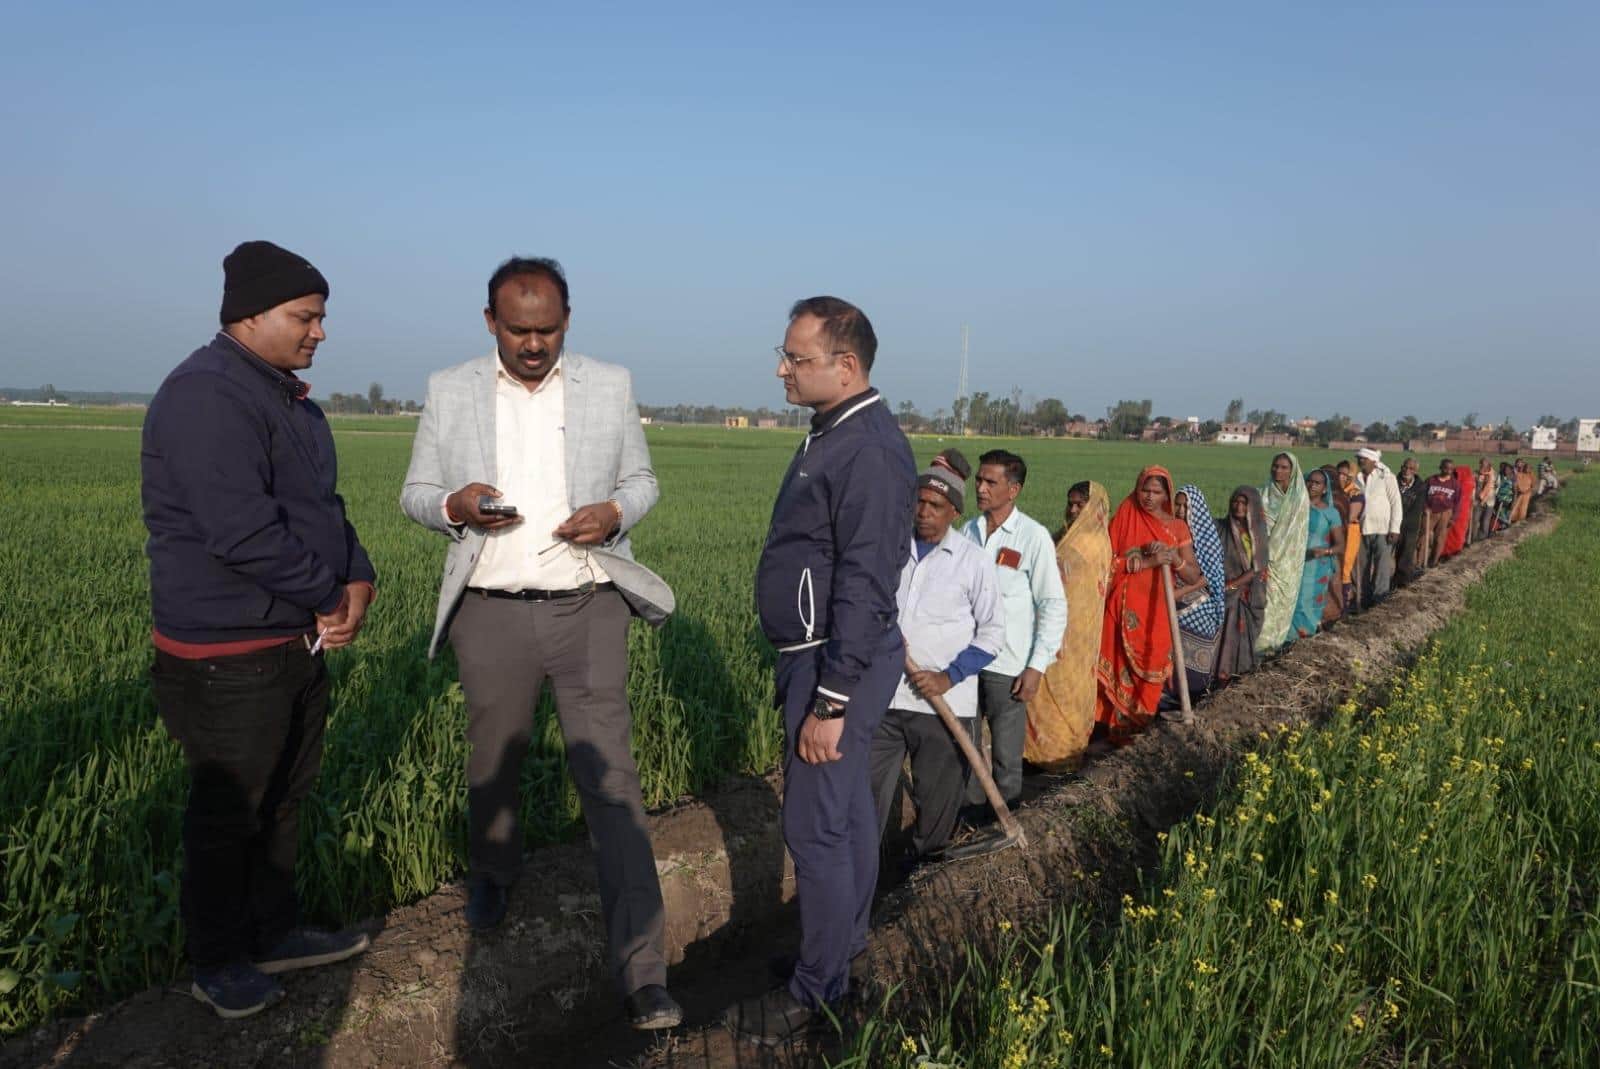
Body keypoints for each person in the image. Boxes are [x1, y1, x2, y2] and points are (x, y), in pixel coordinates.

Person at [399, 256, 681, 1030]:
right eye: (519, 329)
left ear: (567, 321)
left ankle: (644, 970)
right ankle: (494, 871)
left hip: (588, 605)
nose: (533, 344)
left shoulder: (608, 385)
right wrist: (453, 504)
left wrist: (614, 512)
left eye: (548, 330)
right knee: (494, 757)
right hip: (490, 609)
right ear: (490, 321)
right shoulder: (450, 388)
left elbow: (643, 480)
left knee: (612, 779)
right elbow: (414, 493)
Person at [142, 241, 375, 1018]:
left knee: (283, 798)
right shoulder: (207, 396)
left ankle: (273, 932)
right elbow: (239, 531)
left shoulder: (287, 400)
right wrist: (326, 594)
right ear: (249, 315)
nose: (319, 331)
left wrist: (359, 576)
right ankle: (216, 960)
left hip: (289, 642)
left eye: (321, 316)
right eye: (305, 316)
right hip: (227, 652)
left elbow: (323, 510)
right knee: (229, 812)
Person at [728, 296, 915, 1043]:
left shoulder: (866, 448)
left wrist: (831, 699)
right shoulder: (835, 432)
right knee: (847, 814)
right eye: (783, 355)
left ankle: (818, 988)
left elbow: (867, 580)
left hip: (832, 660)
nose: (782, 369)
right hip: (826, 653)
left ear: (846, 365)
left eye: (796, 358)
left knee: (817, 827)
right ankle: (841, 947)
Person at [871, 451, 1004, 861]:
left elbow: (993, 634)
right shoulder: (891, 552)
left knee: (936, 803)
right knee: (866, 796)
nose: (924, 512)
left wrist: (948, 676)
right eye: (920, 502)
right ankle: (864, 877)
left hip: (942, 706)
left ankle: (922, 878)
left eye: (936, 506)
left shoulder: (973, 562)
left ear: (954, 513)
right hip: (884, 699)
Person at [960, 451, 1067, 819]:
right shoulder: (968, 532)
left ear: (1014, 489)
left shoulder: (1033, 537)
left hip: (1008, 665)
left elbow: (1052, 604)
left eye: (991, 482)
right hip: (965, 662)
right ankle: (971, 822)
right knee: (967, 748)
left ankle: (1006, 826)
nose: (981, 488)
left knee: (1006, 758)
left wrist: (1036, 666)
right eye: (979, 480)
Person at [1092, 467, 1202, 745]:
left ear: (1167, 494)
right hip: (1121, 611)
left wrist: (1173, 558)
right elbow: (1103, 563)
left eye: (1156, 492)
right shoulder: (1126, 516)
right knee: (1115, 673)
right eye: (1145, 490)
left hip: (1158, 614)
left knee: (1151, 673)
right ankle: (1111, 740)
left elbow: (1192, 575)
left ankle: (1138, 739)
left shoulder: (1177, 527)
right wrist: (1144, 561)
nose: (1149, 497)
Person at [1027, 481, 1111, 770]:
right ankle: (1039, 752)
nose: (1073, 510)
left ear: (1094, 508)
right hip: (1054, 627)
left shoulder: (1092, 543)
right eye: (1070, 504)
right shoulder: (1065, 536)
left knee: (1067, 691)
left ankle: (1061, 755)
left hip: (1075, 634)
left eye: (1080, 505)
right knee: (1045, 688)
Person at [1167, 484, 1226, 700]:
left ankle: (1194, 698)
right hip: (1171, 601)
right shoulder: (1169, 531)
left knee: (1195, 665)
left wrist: (1178, 594)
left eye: (1186, 507)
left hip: (1198, 605)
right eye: (1178, 505)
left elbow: (1211, 577)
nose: (1181, 511)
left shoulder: (1206, 538)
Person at [1215, 487, 1270, 684]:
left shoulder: (1258, 533)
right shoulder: (1220, 528)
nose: (1238, 507)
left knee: (1241, 639)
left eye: (1244, 503)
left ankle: (1238, 676)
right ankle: (1217, 677)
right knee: (1222, 637)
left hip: (1247, 596)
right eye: (1235, 502)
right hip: (1222, 592)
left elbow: (1257, 568)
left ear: (1252, 506)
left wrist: (1232, 586)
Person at [1257, 452, 1309, 654]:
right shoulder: (1261, 495)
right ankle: (1256, 651)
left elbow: (1297, 536)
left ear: (1292, 471)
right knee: (1262, 608)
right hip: (1261, 561)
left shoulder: (1299, 500)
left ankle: (1272, 650)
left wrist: (1277, 554)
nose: (1278, 470)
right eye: (1275, 466)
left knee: (1280, 609)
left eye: (1284, 467)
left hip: (1287, 566)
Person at [1293, 469, 1346, 638]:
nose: (1312, 485)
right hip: (1293, 562)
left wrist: (1325, 551)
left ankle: (1306, 636)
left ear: (1325, 489)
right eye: (1309, 481)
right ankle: (1289, 639)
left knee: (1307, 601)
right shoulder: (1294, 507)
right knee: (1292, 601)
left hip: (1316, 567)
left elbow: (1340, 545)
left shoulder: (1330, 513)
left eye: (1317, 483)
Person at [1354, 447, 1404, 607]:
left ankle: (1379, 600)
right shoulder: (1356, 478)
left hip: (1383, 529)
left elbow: (1396, 502)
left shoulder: (1387, 477)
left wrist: (1394, 528)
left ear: (1373, 461)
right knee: (1361, 566)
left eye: (1364, 458)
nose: (1360, 461)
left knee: (1382, 566)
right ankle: (1362, 599)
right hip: (1361, 528)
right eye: (1359, 458)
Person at [1335, 460, 1366, 611]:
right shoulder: (1333, 491)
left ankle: (1344, 605)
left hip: (1349, 532)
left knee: (1345, 568)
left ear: (1351, 476)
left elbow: (1350, 516)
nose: (1341, 476)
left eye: (1344, 474)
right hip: (1334, 531)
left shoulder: (1355, 493)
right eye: (1339, 473)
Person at [1394, 456, 1428, 585]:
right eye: (1405, 467)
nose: (1407, 470)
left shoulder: (1420, 487)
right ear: (1401, 467)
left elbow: (1416, 510)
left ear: (1415, 471)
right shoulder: (1393, 482)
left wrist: (1401, 524)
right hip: (1391, 524)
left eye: (1411, 468)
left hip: (1409, 527)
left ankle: (1402, 583)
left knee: (1405, 557)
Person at [1424, 459, 1460, 566]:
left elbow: (1457, 502)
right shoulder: (1431, 480)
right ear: (1440, 468)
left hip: (1445, 513)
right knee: (1423, 537)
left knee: (1439, 539)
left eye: (1450, 469)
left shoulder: (1455, 484)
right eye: (1446, 468)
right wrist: (1425, 507)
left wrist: (1453, 517)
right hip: (1430, 512)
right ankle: (1419, 563)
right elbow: (1422, 496)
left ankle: (1433, 562)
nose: (1448, 471)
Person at [1439, 460, 1474, 561]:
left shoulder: (1460, 483)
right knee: (1452, 533)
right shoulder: (1468, 482)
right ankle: (1449, 550)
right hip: (1459, 511)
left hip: (1459, 511)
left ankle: (1450, 551)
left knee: (1454, 533)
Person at [1473, 458, 1498, 542]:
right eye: (1480, 463)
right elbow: (1472, 485)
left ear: (1488, 465)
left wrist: (1489, 491)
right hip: (1477, 500)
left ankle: (1483, 538)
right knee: (1475, 520)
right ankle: (1473, 537)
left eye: (1483, 464)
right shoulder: (1476, 474)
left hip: (1490, 501)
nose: (1481, 465)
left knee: (1486, 520)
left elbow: (1496, 486)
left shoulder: (1494, 475)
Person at [1494, 461, 1517, 532]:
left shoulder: (1513, 478)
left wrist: (1513, 502)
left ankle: (1506, 526)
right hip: (1499, 499)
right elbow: (1497, 486)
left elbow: (1515, 491)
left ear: (1510, 470)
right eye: (1505, 469)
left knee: (1506, 514)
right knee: (1499, 513)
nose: (1506, 471)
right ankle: (1504, 526)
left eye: (1507, 469)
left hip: (1508, 500)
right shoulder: (1501, 476)